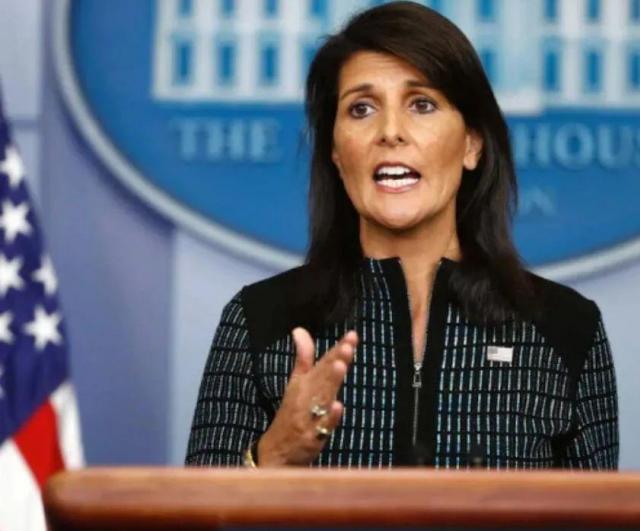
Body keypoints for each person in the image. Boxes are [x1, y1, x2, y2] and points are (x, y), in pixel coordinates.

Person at [185, 1, 618, 469]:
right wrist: (273, 454)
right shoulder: (259, 320)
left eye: (422, 104)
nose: (390, 132)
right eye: (362, 108)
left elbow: (599, 510)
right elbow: (194, 509)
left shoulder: (566, 328)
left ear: (472, 143)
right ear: (335, 151)